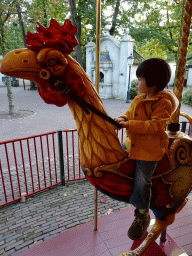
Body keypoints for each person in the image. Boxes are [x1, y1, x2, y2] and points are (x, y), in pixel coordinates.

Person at [114, 58, 179, 241]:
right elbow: (129, 114)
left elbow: (155, 126)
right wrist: (121, 119)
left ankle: (142, 214)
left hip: (150, 150)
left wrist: (130, 125)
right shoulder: (139, 98)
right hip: (133, 144)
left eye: (140, 79)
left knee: (143, 180)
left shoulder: (162, 103)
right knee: (113, 157)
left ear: (153, 84)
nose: (137, 82)